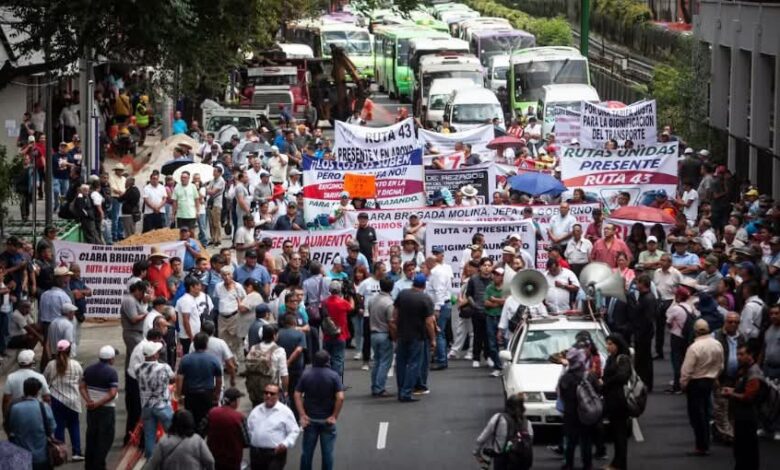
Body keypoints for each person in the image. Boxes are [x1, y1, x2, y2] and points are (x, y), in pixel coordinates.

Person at [680, 319, 724, 456]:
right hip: (709, 381)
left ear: (695, 331)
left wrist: (683, 384)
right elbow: (721, 365)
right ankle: (705, 442)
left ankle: (701, 445)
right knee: (705, 412)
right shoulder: (717, 344)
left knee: (696, 416)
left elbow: (687, 370)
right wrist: (715, 377)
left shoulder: (694, 347)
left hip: (696, 383)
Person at [295, 350, 345, 470]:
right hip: (327, 420)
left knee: (307, 453)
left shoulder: (306, 374)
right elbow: (340, 397)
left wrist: (302, 414)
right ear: (328, 361)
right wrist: (334, 416)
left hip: (310, 419)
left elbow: (297, 395)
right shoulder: (334, 376)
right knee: (327, 454)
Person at [391, 274, 436, 401]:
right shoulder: (425, 299)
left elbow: (395, 314)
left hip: (402, 334)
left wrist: (396, 329)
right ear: (424, 285)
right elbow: (429, 322)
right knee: (413, 364)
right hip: (417, 335)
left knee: (401, 363)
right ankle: (406, 392)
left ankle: (401, 390)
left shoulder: (403, 294)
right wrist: (433, 339)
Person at [722, 343, 763, 470]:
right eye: (738, 354)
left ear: (750, 355)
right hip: (741, 415)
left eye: (742, 354)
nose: (738, 357)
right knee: (740, 449)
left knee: (746, 450)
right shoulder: (745, 370)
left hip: (748, 417)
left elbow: (748, 397)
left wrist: (731, 393)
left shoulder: (754, 374)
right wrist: (733, 390)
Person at [558, 348, 600, 470]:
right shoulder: (589, 375)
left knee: (570, 441)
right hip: (586, 412)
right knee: (586, 440)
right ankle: (587, 464)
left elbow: (561, 395)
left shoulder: (565, 378)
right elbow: (597, 390)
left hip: (571, 414)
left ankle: (568, 464)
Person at [43, 339, 84, 461]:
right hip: (73, 401)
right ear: (69, 350)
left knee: (58, 427)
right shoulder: (76, 365)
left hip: (56, 399)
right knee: (74, 426)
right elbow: (81, 379)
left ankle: (61, 454)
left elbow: (44, 379)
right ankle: (77, 452)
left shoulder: (51, 365)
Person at [79, 345, 119, 470]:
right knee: (105, 439)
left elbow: (82, 387)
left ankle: (89, 465)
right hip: (106, 410)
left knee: (92, 436)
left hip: (92, 410)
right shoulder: (112, 372)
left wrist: (89, 401)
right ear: (111, 359)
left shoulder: (89, 369)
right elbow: (112, 393)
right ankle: (99, 466)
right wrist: (98, 403)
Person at [6, 377, 57, 470]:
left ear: (24, 390)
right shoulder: (44, 407)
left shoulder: (15, 408)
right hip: (41, 457)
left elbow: (10, 428)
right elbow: (52, 427)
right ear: (38, 392)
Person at [136, 339, 176, 458]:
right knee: (173, 435)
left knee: (149, 436)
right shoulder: (164, 367)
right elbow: (173, 379)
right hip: (162, 405)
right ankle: (172, 457)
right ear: (154, 355)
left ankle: (151, 461)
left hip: (146, 406)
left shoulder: (137, 368)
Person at [176, 332, 223, 433]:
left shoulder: (185, 359)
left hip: (190, 394)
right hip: (207, 394)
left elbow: (179, 378)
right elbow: (219, 379)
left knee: (191, 419)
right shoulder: (213, 359)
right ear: (206, 344)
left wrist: (178, 395)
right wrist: (217, 394)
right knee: (206, 420)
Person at [473, 393, 533, 470]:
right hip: (521, 462)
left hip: (502, 460)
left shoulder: (499, 418)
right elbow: (529, 441)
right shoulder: (527, 423)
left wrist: (476, 452)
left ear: (507, 406)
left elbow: (482, 438)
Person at [247, 383, 299, 470]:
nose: (268, 395)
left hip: (275, 453)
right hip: (256, 454)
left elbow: (294, 431)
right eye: (266, 392)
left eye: (272, 393)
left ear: (278, 395)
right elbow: (249, 428)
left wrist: (285, 444)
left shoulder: (285, 412)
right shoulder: (256, 410)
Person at [712, 311, 745, 443]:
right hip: (721, 377)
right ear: (725, 322)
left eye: (736, 322)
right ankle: (727, 434)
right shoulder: (716, 335)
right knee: (721, 407)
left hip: (736, 378)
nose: (733, 324)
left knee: (733, 407)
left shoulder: (741, 337)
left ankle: (727, 432)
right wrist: (714, 377)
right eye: (730, 321)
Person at [600, 334, 632, 470]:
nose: (608, 346)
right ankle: (616, 462)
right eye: (607, 344)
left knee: (620, 434)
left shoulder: (623, 358)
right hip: (611, 399)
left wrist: (605, 382)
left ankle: (620, 464)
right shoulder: (610, 358)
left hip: (619, 401)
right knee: (616, 434)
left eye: (611, 344)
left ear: (618, 344)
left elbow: (622, 376)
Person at [145, 409, 215, 469]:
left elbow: (151, 465)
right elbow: (210, 461)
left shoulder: (164, 441)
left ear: (174, 423)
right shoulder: (197, 440)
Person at [205, 388, 249, 470]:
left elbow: (202, 430)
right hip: (233, 460)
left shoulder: (212, 412)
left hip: (213, 457)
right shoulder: (239, 417)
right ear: (234, 401)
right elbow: (247, 441)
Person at [245, 325, 289, 408]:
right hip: (271, 391)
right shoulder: (279, 350)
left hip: (255, 389)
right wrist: (285, 391)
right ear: (274, 336)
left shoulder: (254, 348)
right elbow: (284, 374)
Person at [665, 287, 696, 394]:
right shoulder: (690, 307)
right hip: (687, 337)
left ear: (678, 296)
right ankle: (686, 383)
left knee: (676, 361)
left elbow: (668, 321)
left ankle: (677, 386)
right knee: (685, 360)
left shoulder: (676, 308)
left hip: (676, 337)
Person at [2, 349, 50, 418]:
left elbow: (6, 400)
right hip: (36, 414)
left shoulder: (11, 377)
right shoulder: (40, 377)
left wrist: (6, 417)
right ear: (32, 362)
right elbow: (47, 398)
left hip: (17, 414)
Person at [630, 275, 657, 391]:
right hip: (641, 333)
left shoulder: (648, 299)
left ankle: (645, 383)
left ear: (643, 284)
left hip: (643, 335)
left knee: (644, 360)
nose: (636, 285)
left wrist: (640, 333)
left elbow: (647, 319)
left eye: (638, 283)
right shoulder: (644, 297)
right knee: (642, 360)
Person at [321, 280, 353, 378]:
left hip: (327, 334)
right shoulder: (343, 302)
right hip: (340, 335)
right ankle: (337, 381)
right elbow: (351, 308)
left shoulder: (324, 302)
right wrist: (351, 297)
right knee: (338, 359)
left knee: (328, 359)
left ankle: (328, 379)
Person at [368, 278, 395, 396]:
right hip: (384, 334)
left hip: (374, 333)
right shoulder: (389, 303)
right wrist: (395, 336)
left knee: (377, 361)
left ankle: (375, 386)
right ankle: (379, 387)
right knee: (385, 362)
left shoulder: (372, 299)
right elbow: (391, 322)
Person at [176, 276, 214, 353]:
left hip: (193, 335)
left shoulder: (190, 299)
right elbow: (186, 320)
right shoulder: (186, 300)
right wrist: (191, 337)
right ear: (192, 287)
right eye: (198, 285)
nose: (200, 288)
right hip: (188, 337)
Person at [121, 281, 149, 371]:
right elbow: (133, 319)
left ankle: (130, 381)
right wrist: (146, 315)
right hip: (132, 333)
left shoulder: (135, 300)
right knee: (138, 358)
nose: (142, 295)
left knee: (131, 359)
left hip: (136, 333)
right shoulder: (129, 300)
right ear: (137, 290)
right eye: (142, 293)